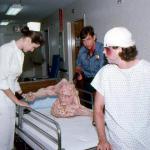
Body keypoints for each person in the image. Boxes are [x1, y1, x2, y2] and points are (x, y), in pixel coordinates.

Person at [91, 27, 150, 150]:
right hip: (116, 144)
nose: (103, 52)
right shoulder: (105, 73)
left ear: (121, 49)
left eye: (107, 49)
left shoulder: (147, 71)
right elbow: (97, 109)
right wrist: (103, 140)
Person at [0, 25, 44, 150]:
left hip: (9, 98)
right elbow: (2, 81)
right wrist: (17, 100)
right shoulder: (5, 50)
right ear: (28, 40)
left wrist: (21, 94)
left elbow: (13, 79)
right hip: (1, 98)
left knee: (8, 136)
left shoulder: (20, 54)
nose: (32, 50)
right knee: (2, 137)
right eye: (33, 47)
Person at [24, 78, 92, 118]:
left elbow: (78, 106)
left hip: (69, 107)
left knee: (85, 111)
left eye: (67, 96)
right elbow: (46, 92)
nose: (63, 97)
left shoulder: (74, 93)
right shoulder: (56, 89)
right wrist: (35, 95)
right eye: (63, 95)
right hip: (58, 108)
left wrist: (87, 112)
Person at [75, 26, 106, 93]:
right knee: (87, 102)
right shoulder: (81, 51)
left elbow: (103, 70)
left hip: (100, 81)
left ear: (94, 37)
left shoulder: (102, 49)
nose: (86, 43)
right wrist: (79, 73)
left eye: (88, 39)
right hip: (87, 81)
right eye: (84, 40)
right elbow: (78, 66)